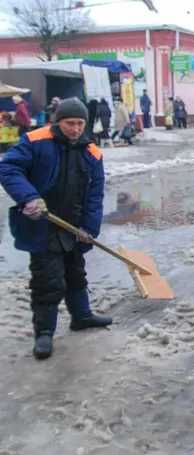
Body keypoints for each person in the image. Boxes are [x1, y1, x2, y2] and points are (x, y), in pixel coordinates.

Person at [0, 97, 112, 360]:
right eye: (69, 123)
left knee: (76, 274)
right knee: (47, 281)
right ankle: (44, 333)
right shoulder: (36, 141)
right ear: (57, 121)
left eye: (79, 124)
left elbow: (95, 195)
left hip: (73, 226)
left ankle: (81, 317)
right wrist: (28, 197)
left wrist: (89, 229)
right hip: (43, 223)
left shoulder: (92, 152)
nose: (74, 129)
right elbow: (8, 168)